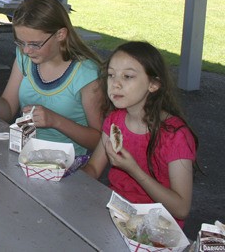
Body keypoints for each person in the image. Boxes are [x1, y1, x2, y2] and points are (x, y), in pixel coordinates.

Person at [0, 0, 103, 156]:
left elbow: (99, 140)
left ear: (60, 35)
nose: (26, 50)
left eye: (35, 44)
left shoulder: (86, 74)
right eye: (21, 43)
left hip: (67, 163)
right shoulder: (25, 59)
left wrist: (56, 121)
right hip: (25, 154)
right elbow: (6, 113)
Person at [83, 41, 198, 228]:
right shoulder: (114, 121)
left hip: (156, 229)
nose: (116, 84)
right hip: (116, 216)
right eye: (111, 75)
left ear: (153, 84)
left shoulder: (176, 136)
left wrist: (133, 169)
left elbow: (181, 208)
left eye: (128, 76)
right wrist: (66, 175)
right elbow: (94, 169)